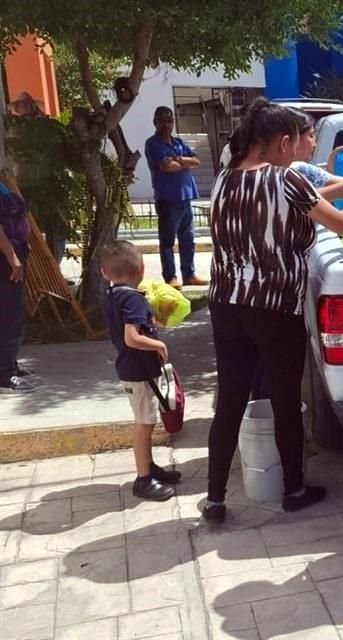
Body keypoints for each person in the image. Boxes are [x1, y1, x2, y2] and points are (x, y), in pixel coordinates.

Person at [202, 99, 343, 524]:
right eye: (299, 141)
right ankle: (294, 490)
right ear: (283, 142)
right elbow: (340, 223)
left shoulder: (225, 179)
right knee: (285, 399)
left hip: (226, 303)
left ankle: (214, 499)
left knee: (229, 399)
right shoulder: (285, 180)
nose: (304, 148)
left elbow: (312, 199)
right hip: (273, 305)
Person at [100, 240, 181, 500]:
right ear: (143, 268)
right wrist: (159, 343)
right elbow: (131, 337)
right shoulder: (133, 300)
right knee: (144, 424)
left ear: (104, 272)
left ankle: (150, 467)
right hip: (139, 370)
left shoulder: (114, 295)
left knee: (146, 420)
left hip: (133, 368)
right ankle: (143, 479)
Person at [144, 106, 206, 290]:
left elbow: (196, 161)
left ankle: (189, 274)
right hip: (167, 199)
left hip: (186, 197)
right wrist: (183, 162)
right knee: (168, 242)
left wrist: (178, 158)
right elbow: (166, 167)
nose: (166, 124)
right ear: (155, 122)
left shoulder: (178, 142)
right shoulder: (153, 143)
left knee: (188, 239)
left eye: (169, 120)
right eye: (162, 120)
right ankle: (170, 276)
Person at [0, 180, 35, 394]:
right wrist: (12, 257)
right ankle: (4, 375)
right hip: (5, 259)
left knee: (10, 312)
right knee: (10, 315)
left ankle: (8, 363)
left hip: (11, 254)